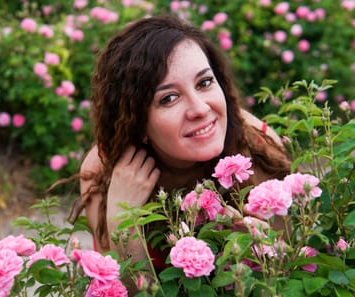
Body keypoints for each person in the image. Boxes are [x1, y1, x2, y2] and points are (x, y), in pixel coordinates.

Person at [79, 14, 291, 269]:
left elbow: (294, 271)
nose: (200, 109)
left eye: (204, 82)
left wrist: (261, 252)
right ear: (138, 122)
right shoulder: (103, 172)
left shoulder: (255, 145)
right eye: (169, 98)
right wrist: (121, 221)